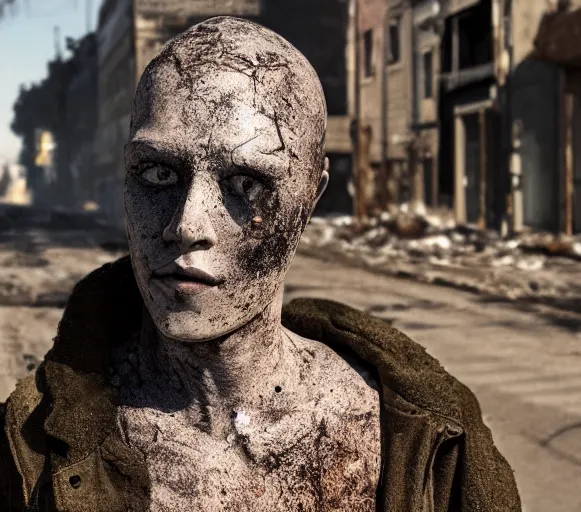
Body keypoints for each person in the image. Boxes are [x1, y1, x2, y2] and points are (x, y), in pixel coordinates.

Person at [0, 17, 521, 511]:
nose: (186, 224)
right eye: (158, 173)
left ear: (308, 201)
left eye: (246, 184)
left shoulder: (420, 440)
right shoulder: (28, 450)